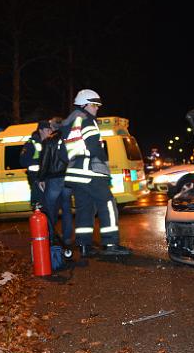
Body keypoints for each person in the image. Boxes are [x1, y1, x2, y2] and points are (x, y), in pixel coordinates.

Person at [61, 89, 131, 258]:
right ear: (84, 104)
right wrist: (103, 168)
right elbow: (93, 147)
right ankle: (110, 243)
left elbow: (63, 154)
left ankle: (84, 246)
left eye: (98, 105)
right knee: (108, 204)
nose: (97, 108)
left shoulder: (70, 122)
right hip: (90, 172)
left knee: (84, 209)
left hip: (75, 173)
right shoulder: (87, 120)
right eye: (94, 105)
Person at [38, 118, 74, 248]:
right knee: (66, 209)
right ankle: (67, 238)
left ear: (52, 127)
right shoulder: (69, 139)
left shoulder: (49, 141)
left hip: (54, 179)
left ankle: (51, 237)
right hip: (68, 178)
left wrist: (41, 178)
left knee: (50, 209)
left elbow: (45, 161)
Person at [20, 120, 52, 208]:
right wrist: (40, 163)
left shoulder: (49, 142)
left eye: (50, 130)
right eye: (47, 130)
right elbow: (22, 161)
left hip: (47, 177)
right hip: (35, 178)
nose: (49, 132)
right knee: (40, 205)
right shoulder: (31, 143)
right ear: (40, 130)